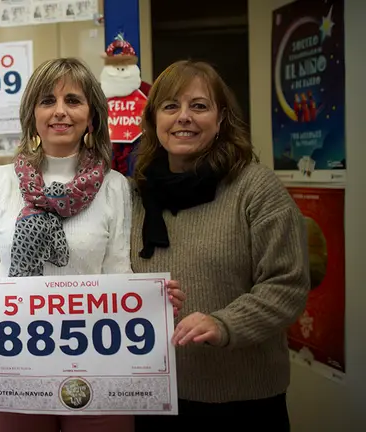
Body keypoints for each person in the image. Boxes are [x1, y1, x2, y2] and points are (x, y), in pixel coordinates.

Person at [0, 57, 185, 432]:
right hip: (15, 366)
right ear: (33, 116)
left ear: (91, 116)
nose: (60, 111)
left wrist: (151, 302)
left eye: (73, 101)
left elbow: (117, 274)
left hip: (99, 367)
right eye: (47, 101)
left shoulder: (115, 187)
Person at [129, 60, 309, 430]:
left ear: (221, 118)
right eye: (170, 106)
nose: (184, 117)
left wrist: (224, 323)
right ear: (153, 120)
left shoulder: (256, 189)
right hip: (152, 397)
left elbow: (287, 285)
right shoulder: (133, 195)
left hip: (240, 400)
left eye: (199, 106)